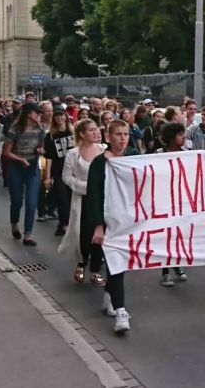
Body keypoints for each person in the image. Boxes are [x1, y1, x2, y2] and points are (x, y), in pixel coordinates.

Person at [82, 119, 139, 333]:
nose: (123, 138)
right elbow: (94, 195)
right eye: (118, 134)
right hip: (109, 220)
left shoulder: (134, 156)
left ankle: (110, 296)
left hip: (129, 219)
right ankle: (121, 312)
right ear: (109, 137)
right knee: (116, 263)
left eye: (125, 134)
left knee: (120, 264)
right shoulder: (99, 163)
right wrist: (98, 226)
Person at [57, 119, 107, 286]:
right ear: (82, 134)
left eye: (96, 130)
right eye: (91, 130)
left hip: (102, 199)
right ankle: (81, 263)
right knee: (83, 234)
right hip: (83, 199)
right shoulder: (73, 153)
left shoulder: (104, 150)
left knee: (100, 234)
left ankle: (95, 270)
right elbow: (66, 176)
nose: (96, 133)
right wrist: (84, 187)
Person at [2, 102, 45, 246]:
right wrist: (21, 160)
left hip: (32, 167)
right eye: (36, 112)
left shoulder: (39, 129)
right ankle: (14, 223)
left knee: (32, 203)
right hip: (17, 166)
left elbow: (41, 147)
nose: (39, 115)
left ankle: (28, 235)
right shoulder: (15, 129)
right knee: (17, 200)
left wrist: (40, 150)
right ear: (28, 114)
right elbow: (6, 152)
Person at [155, 123, 189, 287]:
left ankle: (177, 264)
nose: (183, 137)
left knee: (178, 236)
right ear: (171, 137)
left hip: (181, 202)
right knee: (165, 237)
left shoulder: (188, 154)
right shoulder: (158, 154)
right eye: (180, 134)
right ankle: (165, 272)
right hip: (163, 202)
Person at [44, 106, 75, 237]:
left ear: (65, 116)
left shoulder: (74, 133)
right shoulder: (50, 136)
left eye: (61, 115)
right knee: (62, 199)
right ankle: (64, 225)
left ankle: (67, 224)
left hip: (74, 171)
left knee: (72, 199)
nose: (59, 118)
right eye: (56, 116)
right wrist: (48, 176)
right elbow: (49, 157)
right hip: (59, 171)